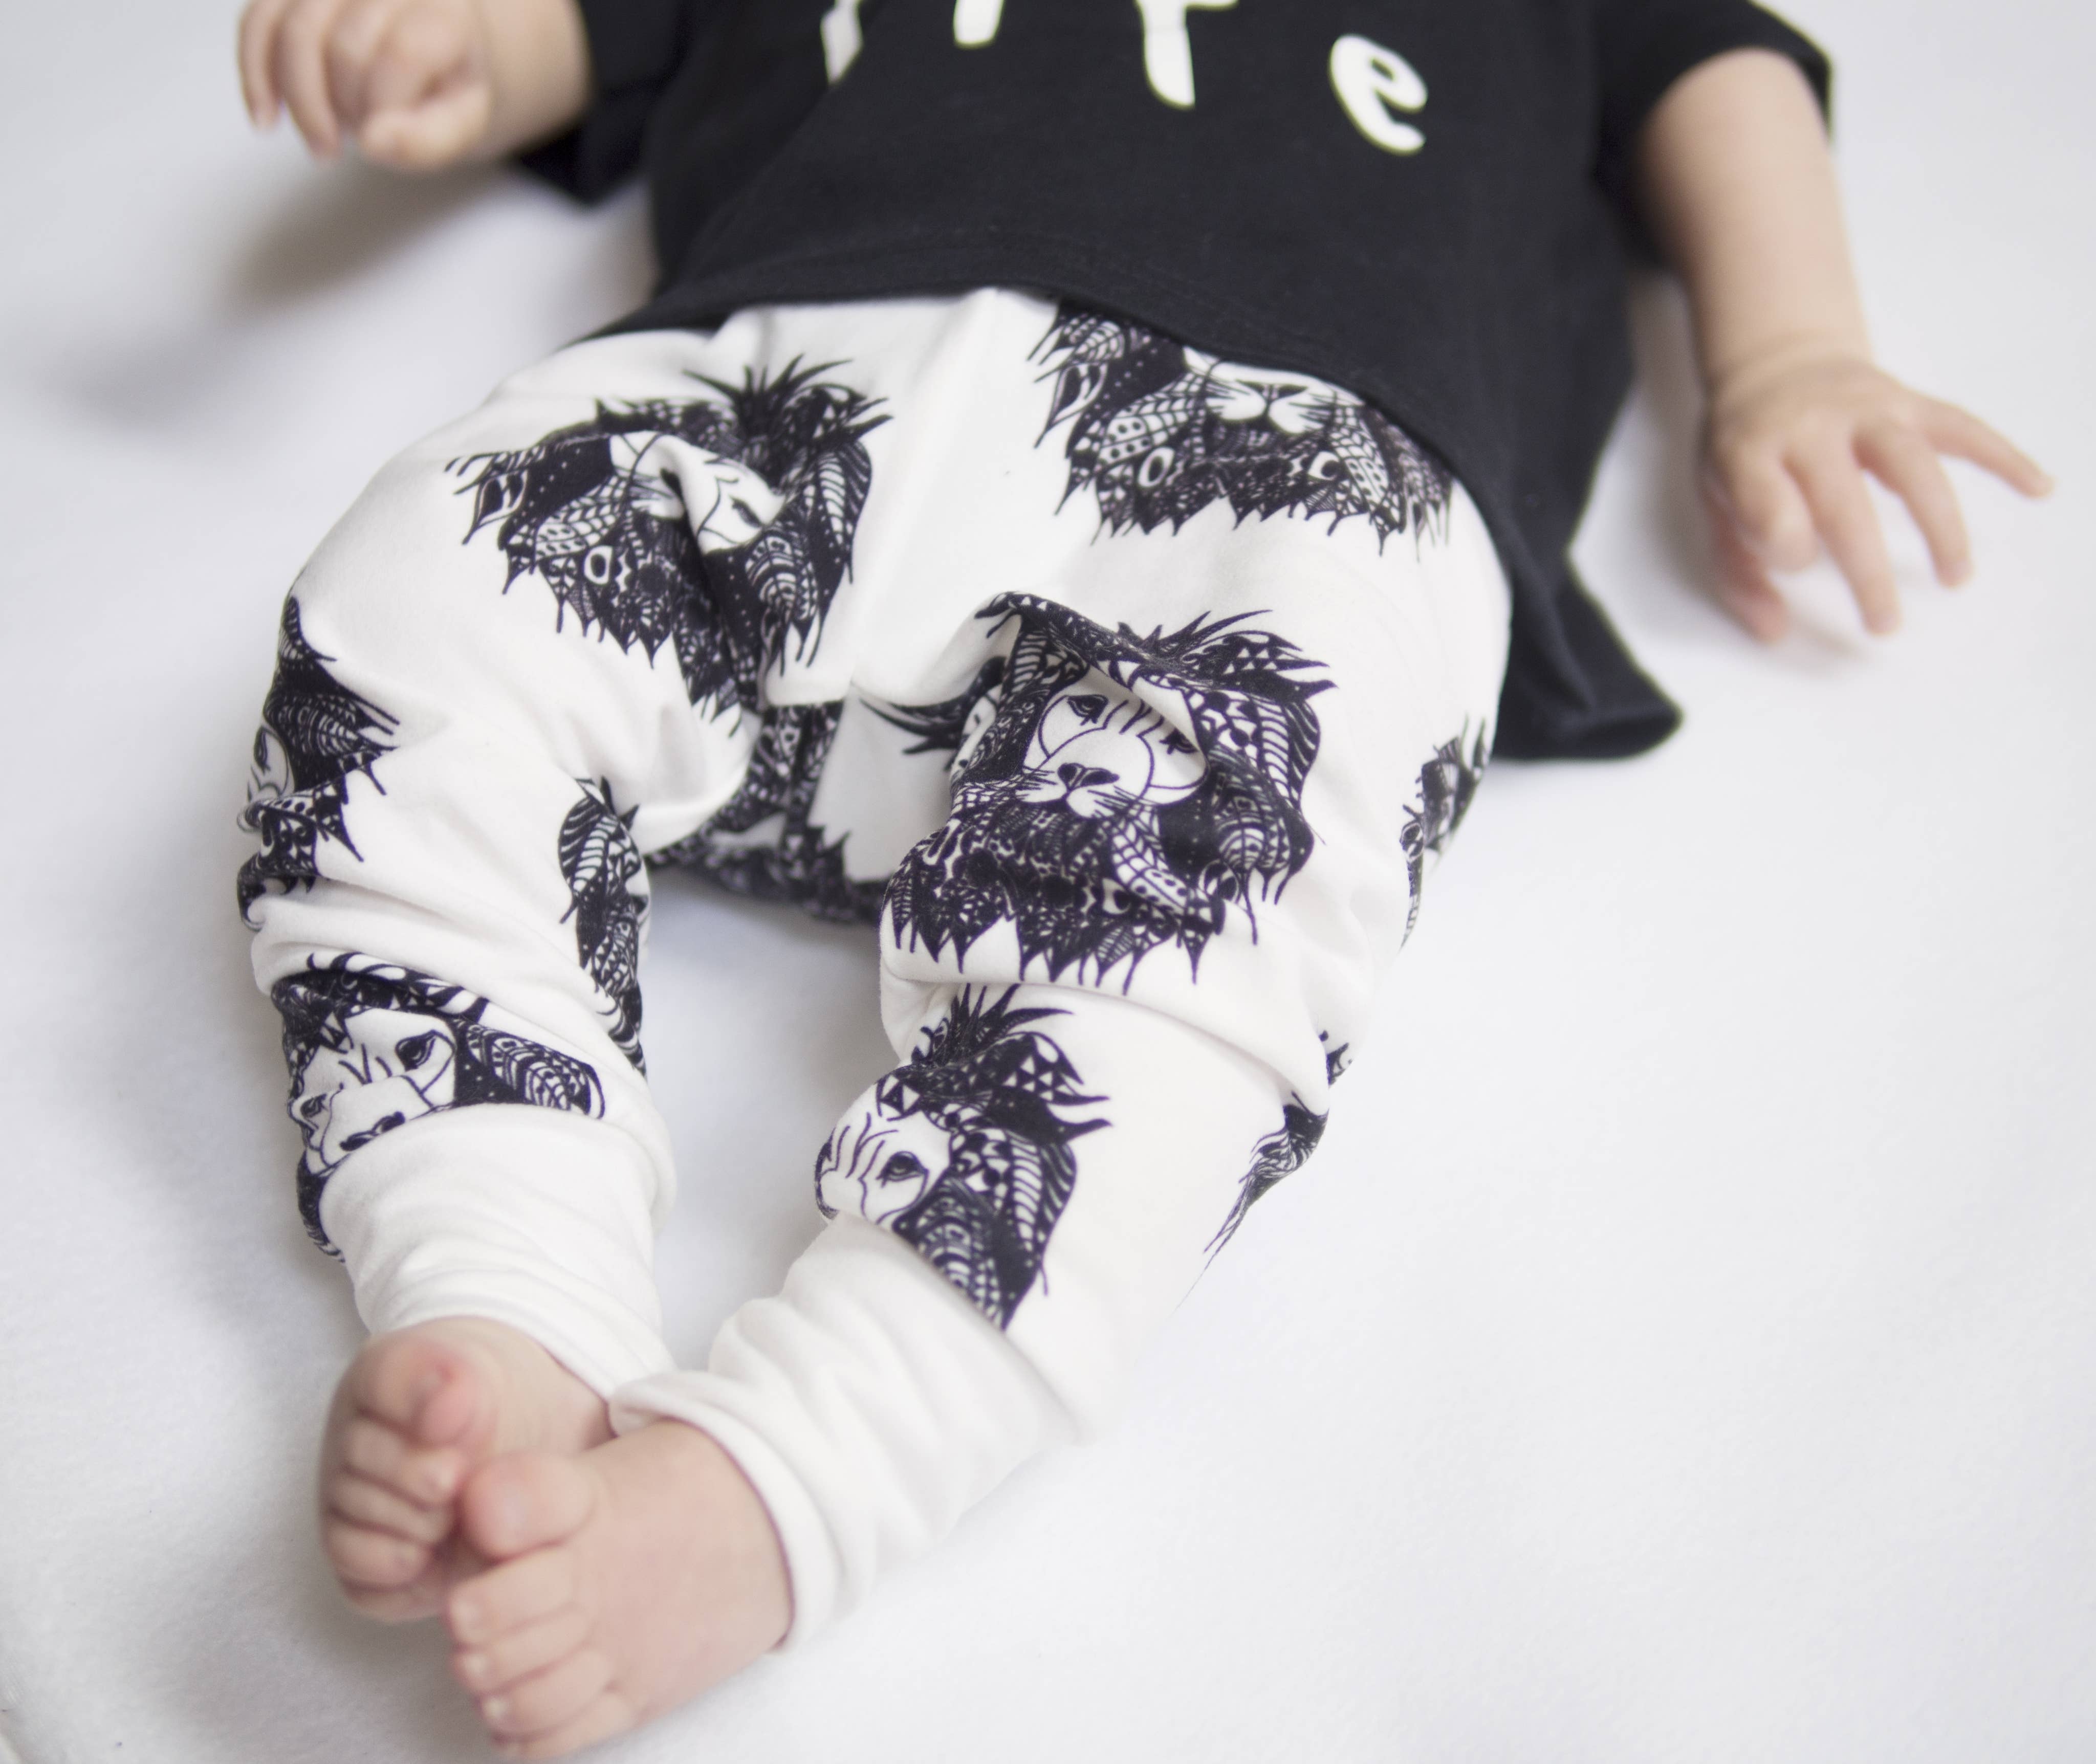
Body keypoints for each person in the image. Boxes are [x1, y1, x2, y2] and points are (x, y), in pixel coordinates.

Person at [232, 0, 2049, 1754]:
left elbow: (1708, 61)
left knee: (1220, 899)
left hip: (1289, 440)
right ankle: (498, 1270)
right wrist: (461, 44)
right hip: (786, 374)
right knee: (422, 611)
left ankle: (806, 1465)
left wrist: (1790, 351)